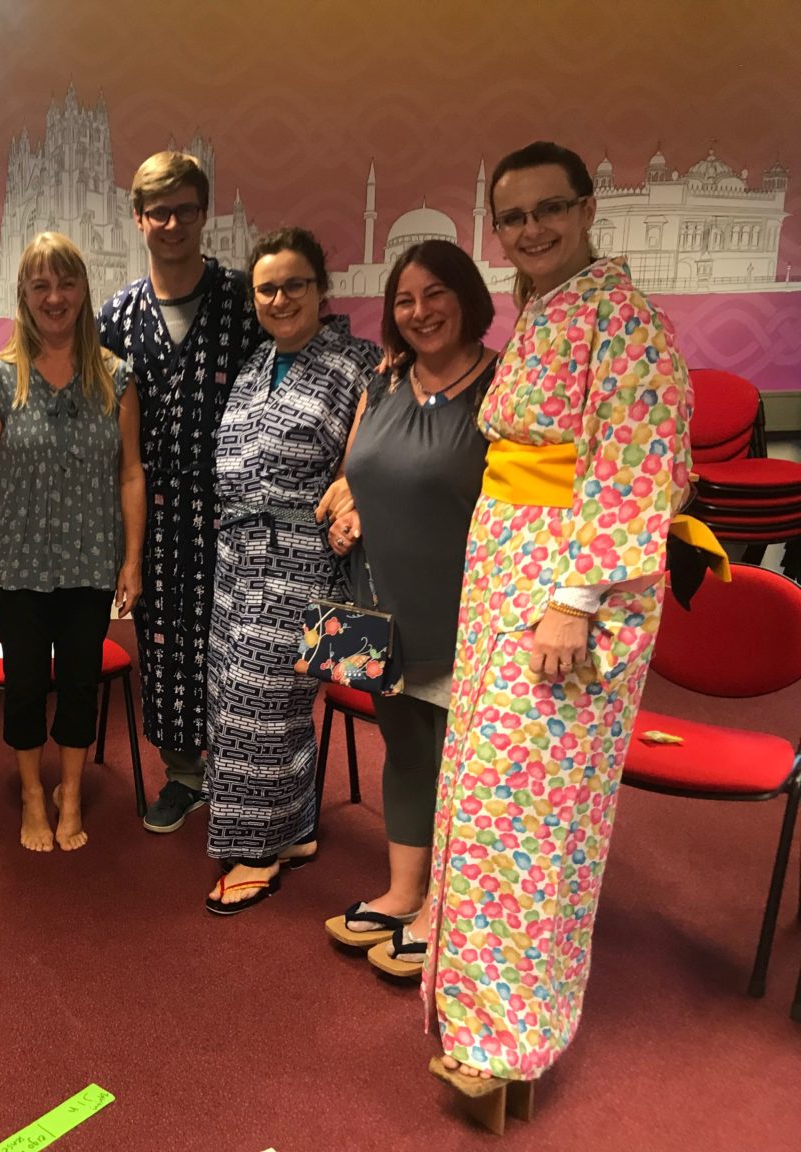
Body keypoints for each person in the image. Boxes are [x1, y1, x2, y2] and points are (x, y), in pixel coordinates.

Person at [422, 142, 691, 1113]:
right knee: (486, 804)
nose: (531, 229)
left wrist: (574, 602)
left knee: (530, 820)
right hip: (509, 578)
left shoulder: (627, 324)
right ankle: (477, 1013)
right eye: (513, 216)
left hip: (566, 596)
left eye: (549, 209)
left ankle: (508, 1035)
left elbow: (637, 473)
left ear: (586, 210)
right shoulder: (546, 311)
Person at [314, 240, 497, 977]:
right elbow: (353, 474)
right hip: (373, 607)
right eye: (405, 300)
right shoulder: (383, 381)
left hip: (462, 612)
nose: (420, 312)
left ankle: (445, 911)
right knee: (406, 752)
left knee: (462, 767)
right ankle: (401, 892)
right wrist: (347, 509)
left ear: (468, 297)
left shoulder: (502, 386)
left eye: (435, 294)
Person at [204, 228, 378, 914]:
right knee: (235, 695)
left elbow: (374, 455)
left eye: (294, 285)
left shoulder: (360, 363)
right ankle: (295, 827)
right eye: (267, 289)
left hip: (305, 560)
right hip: (237, 557)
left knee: (262, 709)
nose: (279, 299)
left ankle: (256, 853)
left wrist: (351, 490)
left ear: (321, 288)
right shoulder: (256, 363)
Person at [97, 151, 262, 836]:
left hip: (238, 507)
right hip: (153, 510)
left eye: (185, 210)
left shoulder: (247, 301)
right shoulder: (117, 316)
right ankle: (184, 775)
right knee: (164, 645)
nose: (172, 224)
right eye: (158, 212)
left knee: (242, 644)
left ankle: (246, 772)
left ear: (203, 214)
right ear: (138, 218)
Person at [0, 232, 144, 851]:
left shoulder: (116, 379)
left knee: (79, 683)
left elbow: (130, 473)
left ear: (84, 291)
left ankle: (69, 791)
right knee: (23, 686)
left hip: (91, 561)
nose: (55, 297)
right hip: (19, 563)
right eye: (41, 285)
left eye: (66, 283)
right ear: (24, 294)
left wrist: (132, 561)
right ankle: (31, 794)